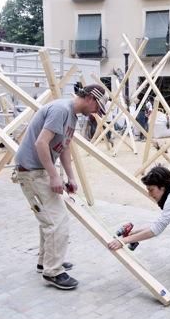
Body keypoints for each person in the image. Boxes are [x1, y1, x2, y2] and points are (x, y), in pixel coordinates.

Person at [15, 84, 107, 290]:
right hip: (31, 171)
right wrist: (55, 176)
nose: (95, 112)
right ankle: (53, 271)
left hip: (40, 170)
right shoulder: (61, 110)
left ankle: (46, 262)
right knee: (57, 221)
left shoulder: (72, 116)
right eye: (97, 107)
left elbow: (64, 147)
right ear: (90, 98)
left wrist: (71, 177)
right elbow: (41, 143)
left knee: (50, 219)